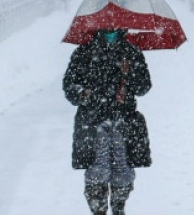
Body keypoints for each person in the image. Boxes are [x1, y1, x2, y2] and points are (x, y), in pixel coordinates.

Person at [63, 27, 152, 215]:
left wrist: (130, 73)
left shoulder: (131, 52)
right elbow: (69, 87)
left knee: (123, 170)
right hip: (92, 123)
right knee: (96, 173)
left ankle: (119, 207)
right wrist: (84, 93)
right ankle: (99, 210)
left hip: (123, 121)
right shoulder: (84, 52)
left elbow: (144, 87)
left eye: (116, 27)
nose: (111, 30)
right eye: (106, 27)